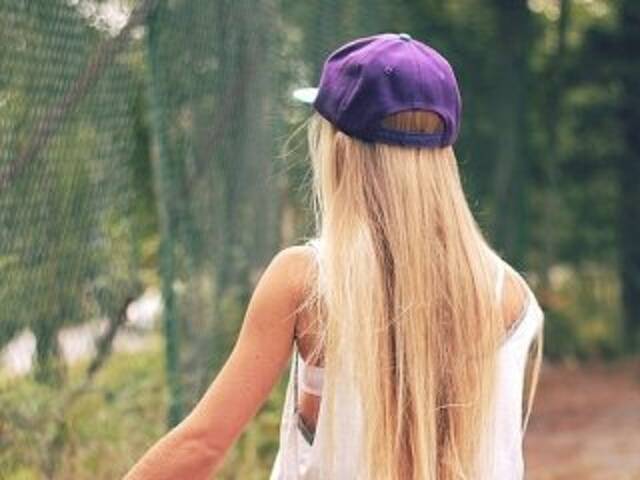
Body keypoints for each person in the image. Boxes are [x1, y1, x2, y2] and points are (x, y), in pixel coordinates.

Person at [123, 32, 544, 480]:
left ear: (340, 149)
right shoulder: (511, 297)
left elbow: (201, 444)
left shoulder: (307, 280)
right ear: (444, 153)